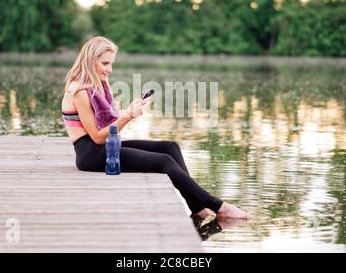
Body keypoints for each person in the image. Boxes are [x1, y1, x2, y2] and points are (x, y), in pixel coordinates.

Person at [61, 36, 251, 219]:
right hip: (91, 155)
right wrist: (128, 115)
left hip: (106, 147)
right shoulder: (79, 91)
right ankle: (220, 206)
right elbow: (97, 137)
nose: (110, 69)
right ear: (90, 60)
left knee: (170, 147)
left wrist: (130, 112)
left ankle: (197, 207)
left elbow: (109, 128)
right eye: (105, 64)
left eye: (111, 63)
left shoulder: (99, 83)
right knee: (164, 161)